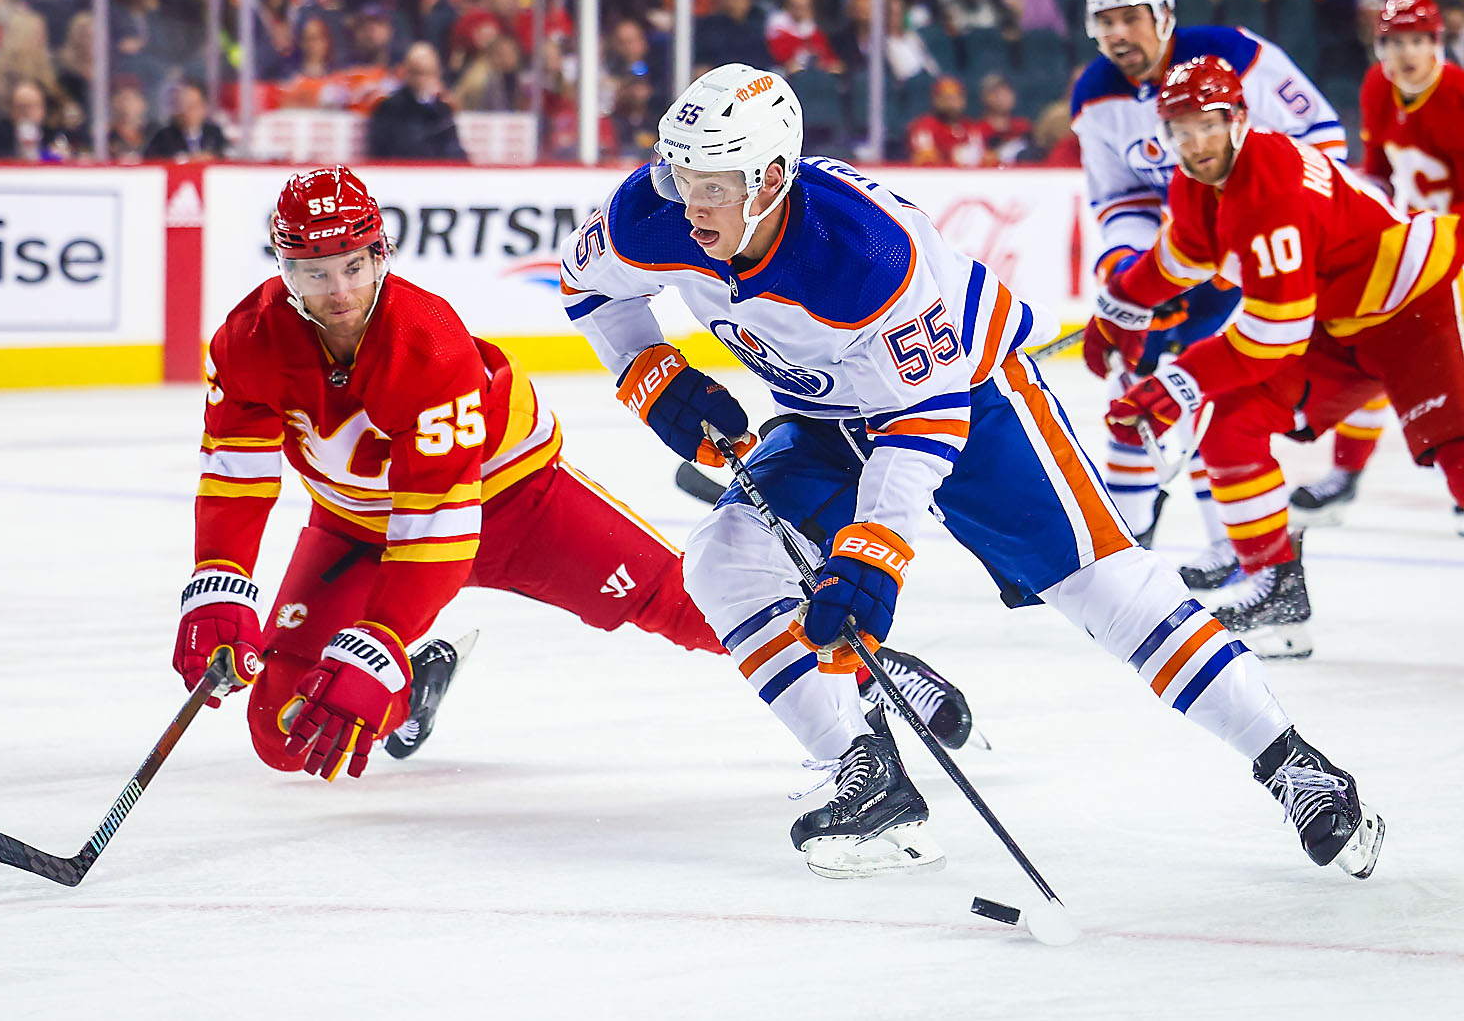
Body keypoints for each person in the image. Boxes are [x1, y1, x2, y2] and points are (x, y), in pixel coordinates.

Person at [559, 61, 1384, 882]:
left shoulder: (869, 255)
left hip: (971, 397)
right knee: (722, 558)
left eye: (714, 183)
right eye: (679, 171)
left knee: (1106, 586)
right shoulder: (652, 211)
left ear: (773, 178)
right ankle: (869, 774)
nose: (688, 200)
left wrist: (873, 554)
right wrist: (647, 371)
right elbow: (586, 283)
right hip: (826, 414)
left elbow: (925, 422)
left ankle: (1290, 761)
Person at [172, 165, 974, 784]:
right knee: (284, 731)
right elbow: (236, 475)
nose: (339, 293)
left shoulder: (428, 344)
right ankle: (416, 683)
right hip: (358, 529)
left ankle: (860, 663)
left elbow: (440, 528)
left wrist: (375, 637)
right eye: (314, 273)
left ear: (381, 252)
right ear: (284, 270)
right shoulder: (247, 341)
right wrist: (218, 580)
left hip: (514, 505)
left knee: (691, 600)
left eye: (353, 264)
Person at [1102, 56, 1464, 662]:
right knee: (1231, 420)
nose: (1195, 144)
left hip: (1407, 304)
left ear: (1239, 119)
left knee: (1457, 452)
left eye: (1208, 125)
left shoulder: (1267, 185)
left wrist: (1175, 383)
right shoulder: (1198, 182)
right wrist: (1120, 307)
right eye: (1181, 130)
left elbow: (1274, 336)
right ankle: (1277, 593)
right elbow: (1179, 261)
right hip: (1335, 319)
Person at [1071, 0, 1354, 589]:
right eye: (1105, 22)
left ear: (1165, 14)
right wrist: (1129, 272)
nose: (1118, 35)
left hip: (1268, 259)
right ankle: (1127, 542)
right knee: (1139, 387)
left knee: (1213, 395)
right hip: (1180, 260)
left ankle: (1233, 549)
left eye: (1130, 18)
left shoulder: (1239, 57)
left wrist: (1234, 254)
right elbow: (1123, 201)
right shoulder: (1095, 95)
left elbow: (1325, 144)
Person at [1293, 0, 1464, 533]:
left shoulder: (1458, 94)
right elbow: (1378, 173)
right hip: (1410, 246)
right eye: (1393, 42)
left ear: (1437, 45)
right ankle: (1346, 474)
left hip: (1450, 243)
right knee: (1369, 343)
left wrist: (1435, 244)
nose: (1406, 53)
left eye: (1417, 40)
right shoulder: (1376, 87)